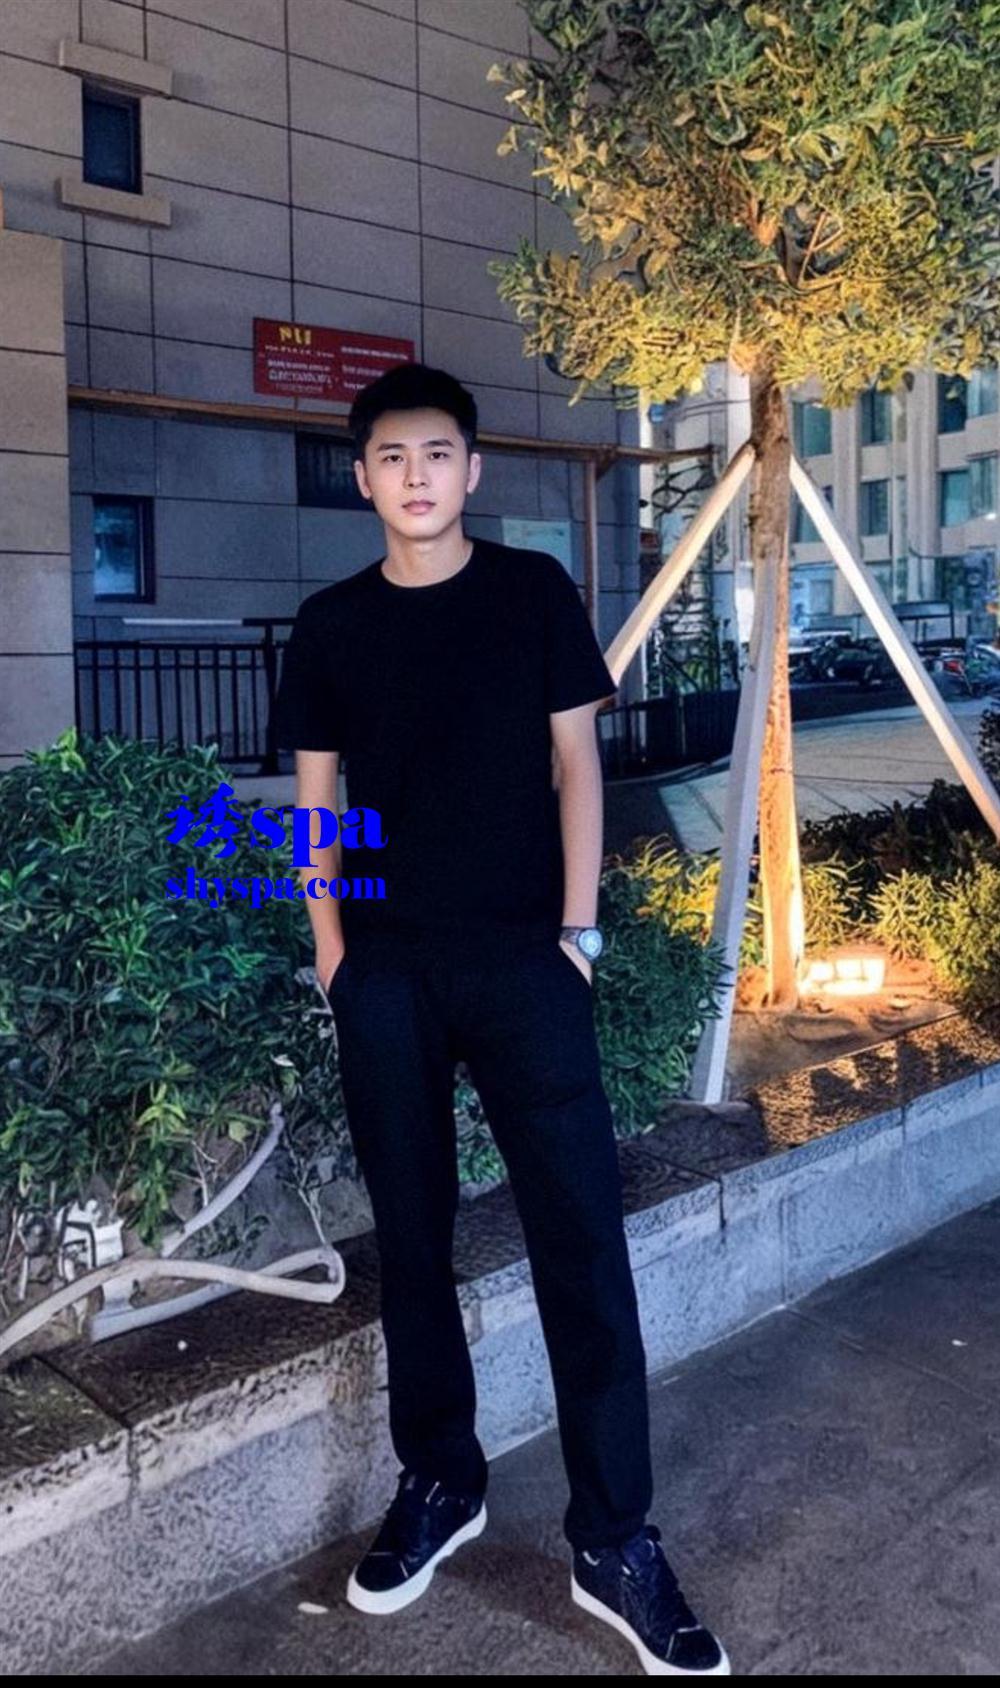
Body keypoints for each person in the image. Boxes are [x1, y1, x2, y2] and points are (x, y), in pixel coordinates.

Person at [272, 362, 730, 1676]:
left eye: (437, 454)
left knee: (581, 1238)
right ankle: (441, 1479)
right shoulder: (332, 624)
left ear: (471, 471)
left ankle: (615, 1538)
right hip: (389, 973)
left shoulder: (530, 593)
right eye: (391, 457)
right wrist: (333, 953)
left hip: (528, 964)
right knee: (411, 1239)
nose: (415, 476)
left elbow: (577, 762)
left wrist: (578, 936)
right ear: (362, 478)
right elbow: (315, 797)